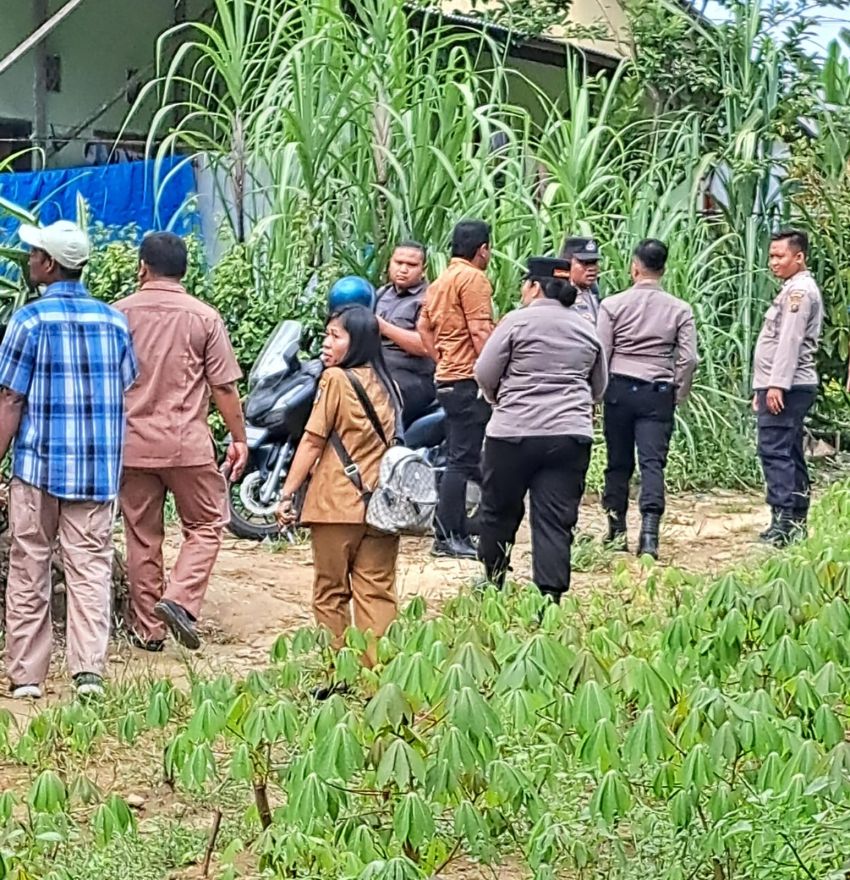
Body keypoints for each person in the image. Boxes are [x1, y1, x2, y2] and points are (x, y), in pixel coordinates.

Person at [0, 220, 138, 699]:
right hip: (97, 472)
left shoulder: (29, 321)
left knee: (29, 565)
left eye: (36, 252)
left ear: (49, 265)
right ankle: (88, 673)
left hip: (38, 467)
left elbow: (10, 400)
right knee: (90, 568)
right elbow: (124, 385)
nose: (31, 257)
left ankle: (27, 677)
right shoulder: (115, 321)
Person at [115, 232, 248, 652]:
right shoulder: (204, 317)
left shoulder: (118, 314)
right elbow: (224, 387)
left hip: (130, 443)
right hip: (186, 444)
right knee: (207, 523)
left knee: (141, 533)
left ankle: (147, 630)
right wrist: (239, 438)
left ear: (143, 267)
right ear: (185, 270)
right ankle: (180, 600)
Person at [475, 258, 607, 602]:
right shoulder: (585, 327)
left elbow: (485, 372)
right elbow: (599, 385)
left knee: (499, 511)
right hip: (569, 436)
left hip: (513, 433)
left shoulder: (516, 322)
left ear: (534, 286)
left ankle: (493, 580)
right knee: (555, 518)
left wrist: (497, 399)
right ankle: (550, 596)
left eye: (525, 284)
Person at [276, 305, 401, 665]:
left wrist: (287, 494)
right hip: (381, 505)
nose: (326, 344)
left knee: (330, 592)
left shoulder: (335, 380)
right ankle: (378, 675)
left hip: (336, 503)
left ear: (356, 341)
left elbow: (313, 440)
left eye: (335, 336)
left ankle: (339, 671)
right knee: (376, 592)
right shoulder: (386, 381)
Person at [597, 239, 698, 559]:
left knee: (618, 463)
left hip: (621, 388)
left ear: (635, 267)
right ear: (663, 269)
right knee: (653, 463)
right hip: (657, 390)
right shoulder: (680, 309)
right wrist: (677, 391)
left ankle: (616, 531)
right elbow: (689, 358)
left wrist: (600, 393)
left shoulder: (612, 305)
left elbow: (601, 351)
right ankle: (650, 536)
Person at [418, 220, 494, 559]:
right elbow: (480, 332)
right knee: (461, 460)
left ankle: (466, 528)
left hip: (448, 377)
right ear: (482, 250)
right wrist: (494, 373)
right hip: (468, 380)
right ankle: (447, 536)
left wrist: (440, 357)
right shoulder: (473, 279)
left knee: (462, 456)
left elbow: (423, 325)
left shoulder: (439, 281)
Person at [752, 229, 823, 546]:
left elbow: (789, 342)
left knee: (775, 450)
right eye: (771, 256)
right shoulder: (792, 289)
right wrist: (762, 388)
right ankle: (793, 519)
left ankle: (784, 521)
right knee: (790, 449)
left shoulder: (799, 293)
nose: (773, 262)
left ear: (799, 257)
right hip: (786, 384)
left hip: (789, 384)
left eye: (780, 256)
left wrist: (775, 386)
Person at [375, 242, 436, 427]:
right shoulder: (380, 294)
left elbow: (427, 346)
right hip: (373, 370)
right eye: (398, 262)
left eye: (411, 265)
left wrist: (384, 327)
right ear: (389, 264)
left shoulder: (429, 299)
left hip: (410, 378)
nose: (403, 269)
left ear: (423, 270)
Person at [560, 236, 602, 323]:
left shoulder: (593, 290)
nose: (591, 268)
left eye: (594, 262)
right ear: (567, 263)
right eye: (585, 263)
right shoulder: (558, 293)